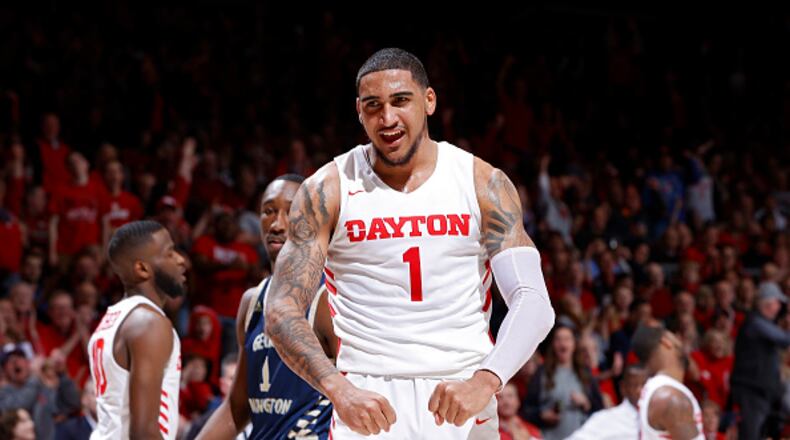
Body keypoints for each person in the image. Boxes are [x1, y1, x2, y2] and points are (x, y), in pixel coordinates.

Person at [265, 47, 555, 439]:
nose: (388, 119)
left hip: (461, 394)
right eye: (373, 106)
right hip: (367, 399)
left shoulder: (481, 182)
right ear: (359, 111)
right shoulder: (328, 188)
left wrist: (486, 381)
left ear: (429, 101)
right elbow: (281, 309)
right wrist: (338, 390)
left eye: (400, 101)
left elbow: (533, 300)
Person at [197, 174, 335, 439]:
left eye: (292, 211)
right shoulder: (252, 300)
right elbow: (237, 407)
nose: (277, 224)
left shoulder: (326, 297)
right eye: (269, 211)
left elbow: (360, 392)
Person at [87, 220, 187, 439]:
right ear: (142, 268)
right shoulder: (148, 323)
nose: (181, 260)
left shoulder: (112, 319)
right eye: (169, 253)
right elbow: (143, 432)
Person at [729, 281, 790, 440]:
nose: (779, 308)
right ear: (769, 303)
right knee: (751, 434)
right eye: (778, 303)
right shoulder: (755, 322)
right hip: (752, 391)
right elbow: (784, 339)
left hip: (763, 391)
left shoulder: (763, 323)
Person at [632, 324, 703, 439]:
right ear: (667, 342)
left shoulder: (657, 389)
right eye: (676, 336)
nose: (680, 339)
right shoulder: (671, 397)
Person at [566, 365, 647, 439]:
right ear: (623, 388)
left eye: (643, 384)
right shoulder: (606, 418)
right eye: (634, 385)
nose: (639, 390)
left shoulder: (654, 418)